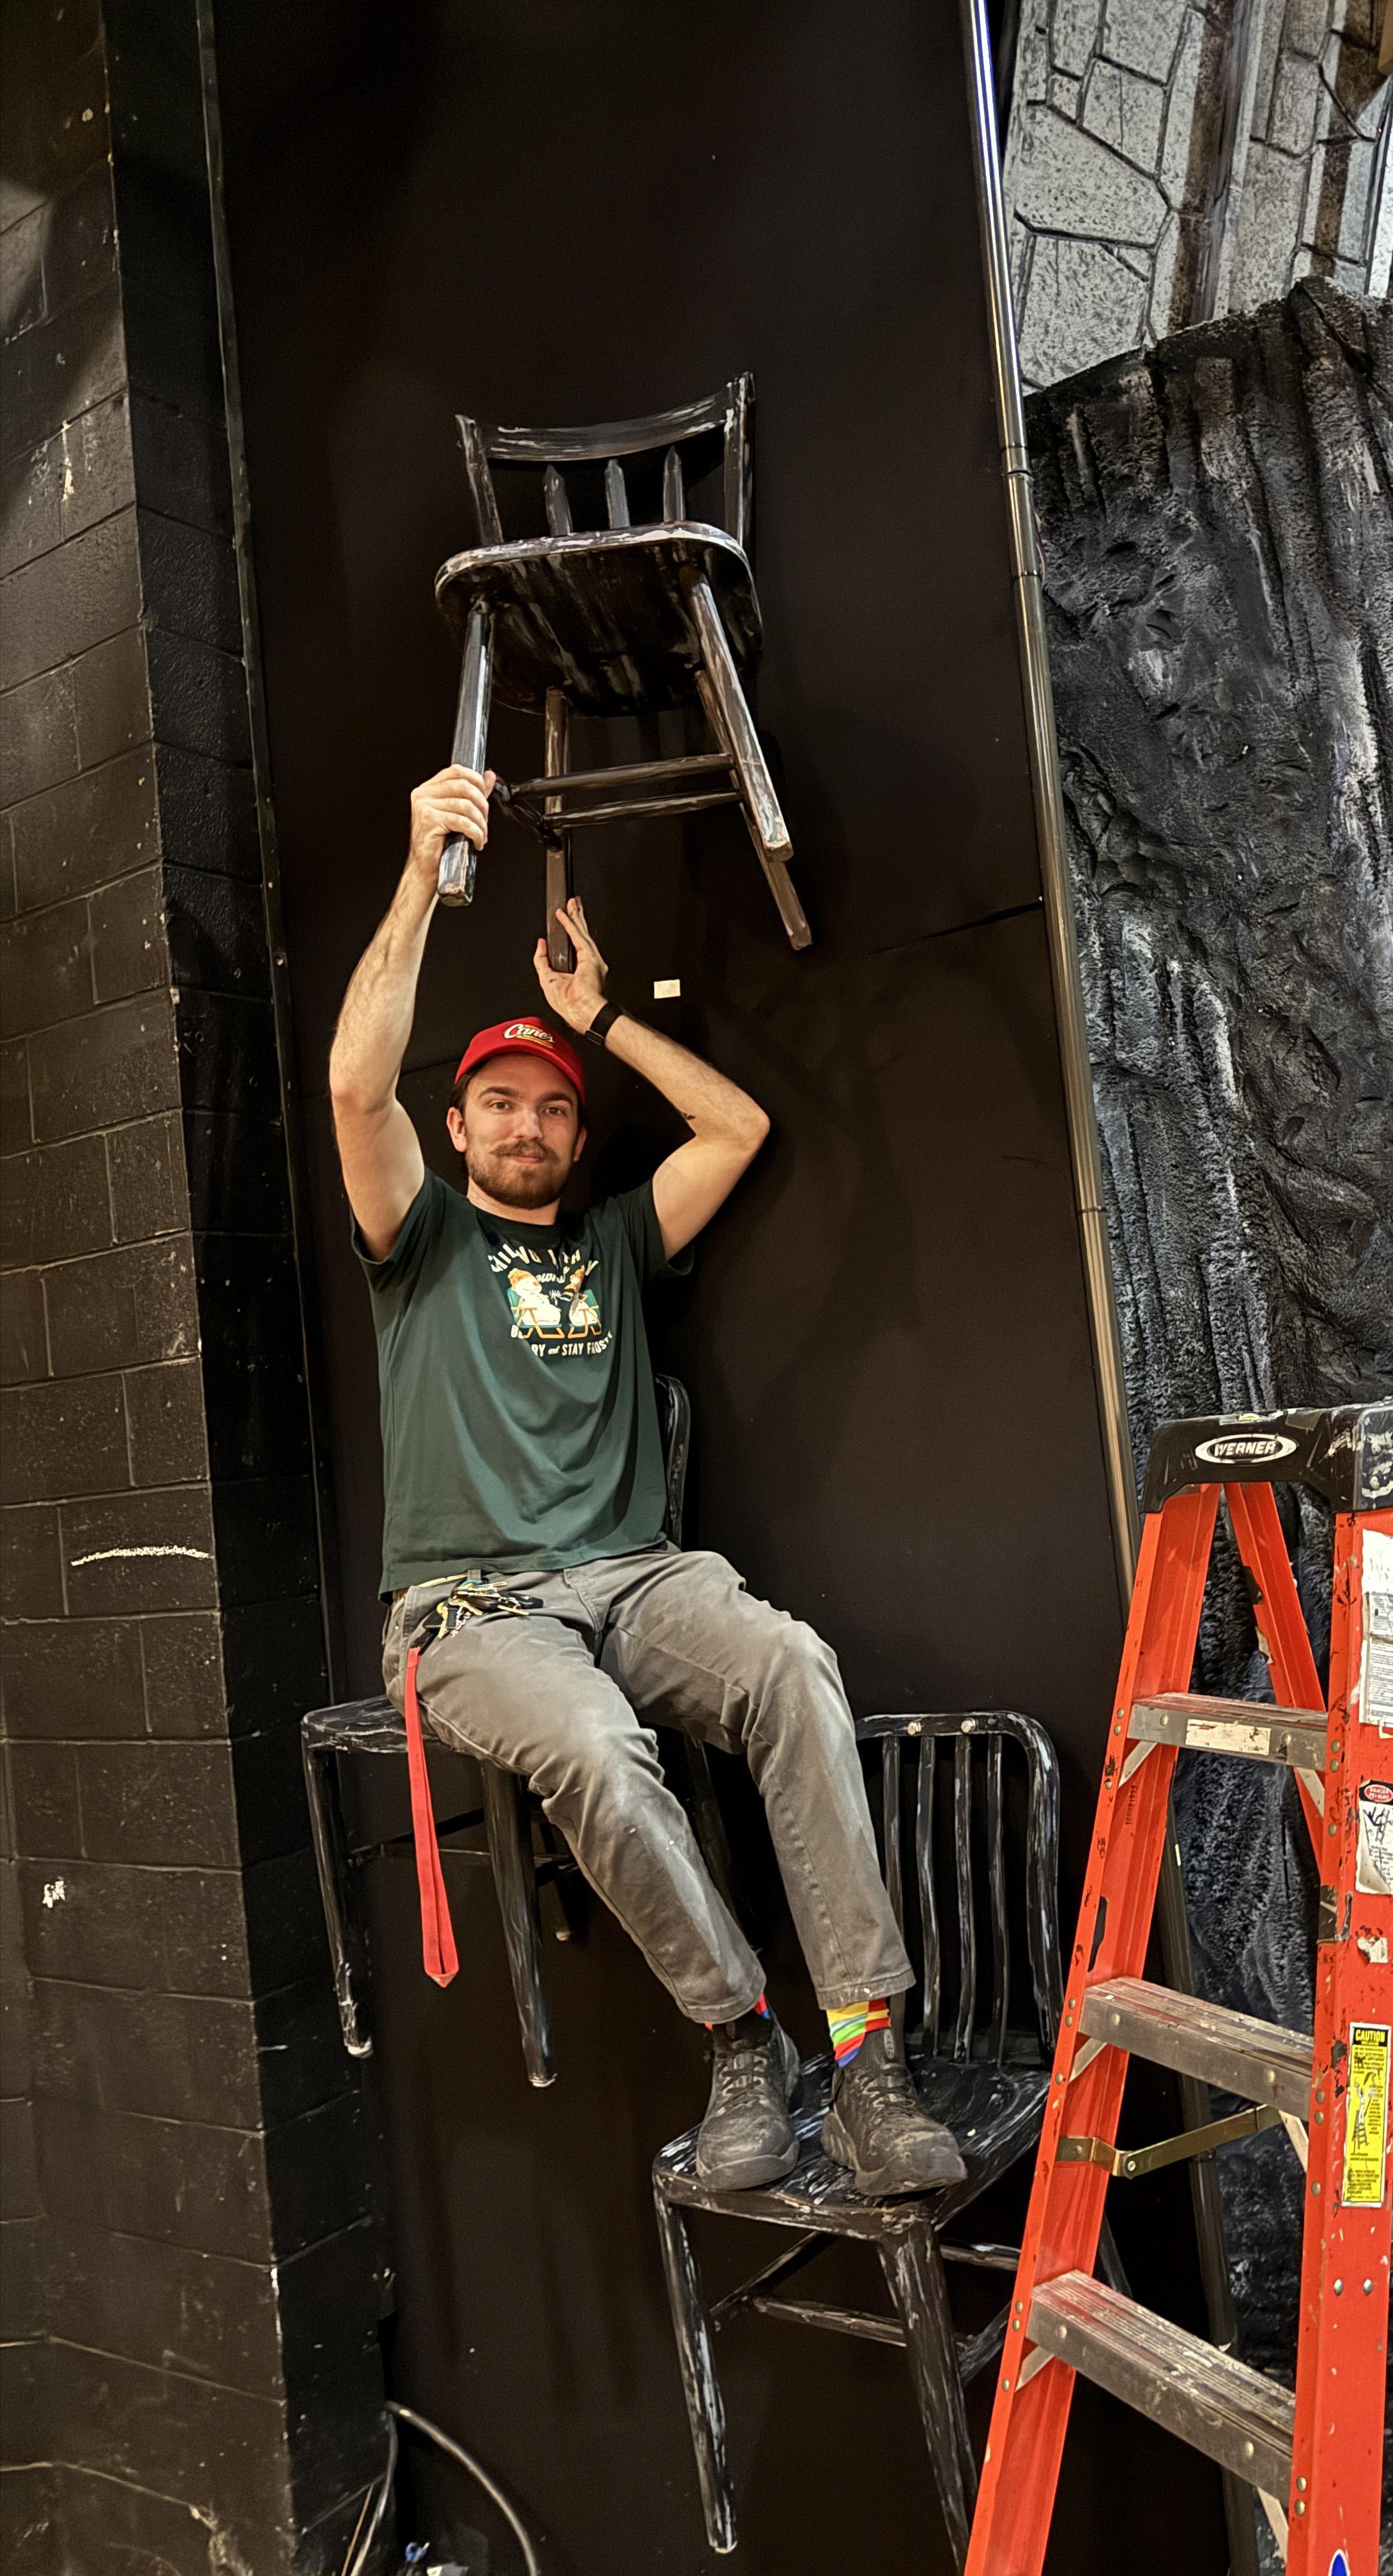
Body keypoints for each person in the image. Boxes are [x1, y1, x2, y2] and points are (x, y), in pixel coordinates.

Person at [328, 763, 965, 2197]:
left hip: (639, 1574)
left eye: (548, 1106)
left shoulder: (613, 1238)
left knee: (792, 1666)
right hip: (472, 1613)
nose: (524, 1124)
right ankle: (744, 2040)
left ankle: (870, 2059)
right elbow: (356, 1077)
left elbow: (736, 1132)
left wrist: (599, 1022)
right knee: (600, 1753)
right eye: (495, 1104)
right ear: (459, 1128)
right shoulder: (416, 1241)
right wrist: (427, 869)